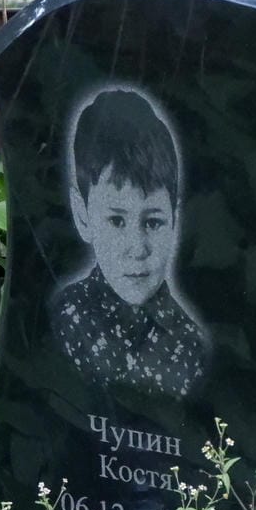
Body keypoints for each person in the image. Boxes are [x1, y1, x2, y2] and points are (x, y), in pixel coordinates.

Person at [51, 88, 211, 398]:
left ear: (174, 220)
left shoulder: (192, 348)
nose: (138, 248)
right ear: (83, 216)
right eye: (116, 220)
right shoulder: (63, 320)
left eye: (153, 222)